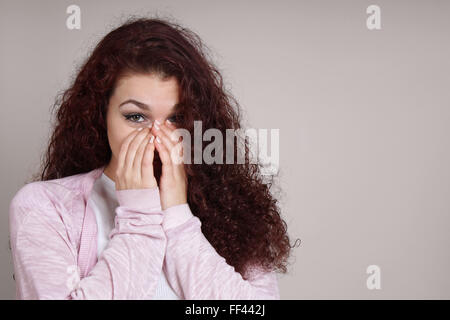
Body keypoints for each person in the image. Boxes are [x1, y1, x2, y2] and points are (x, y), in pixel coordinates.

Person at [8, 16, 293, 299]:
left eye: (177, 118)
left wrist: (178, 216)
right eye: (136, 116)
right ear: (101, 115)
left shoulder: (233, 209)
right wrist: (138, 215)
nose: (157, 136)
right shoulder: (46, 207)